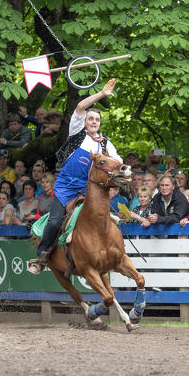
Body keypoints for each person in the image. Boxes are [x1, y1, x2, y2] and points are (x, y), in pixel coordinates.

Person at [28, 78, 119, 274]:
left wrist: (120, 179)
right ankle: (42, 255)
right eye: (91, 118)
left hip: (88, 189)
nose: (94, 121)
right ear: (85, 122)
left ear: (100, 123)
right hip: (65, 187)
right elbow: (80, 106)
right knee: (54, 221)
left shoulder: (105, 144)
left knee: (107, 218)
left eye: (97, 119)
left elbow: (117, 164)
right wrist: (102, 94)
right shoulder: (77, 132)